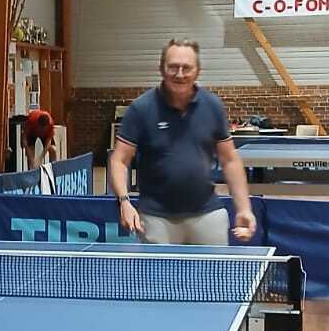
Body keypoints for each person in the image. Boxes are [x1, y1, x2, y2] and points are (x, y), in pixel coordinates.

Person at [108, 39, 255, 245]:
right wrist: (124, 202)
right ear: (161, 69)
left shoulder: (212, 105)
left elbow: (230, 159)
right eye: (173, 67)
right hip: (155, 219)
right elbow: (119, 160)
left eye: (186, 68)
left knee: (215, 268)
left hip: (207, 214)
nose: (179, 74)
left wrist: (244, 208)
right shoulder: (141, 108)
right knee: (157, 269)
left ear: (197, 71)